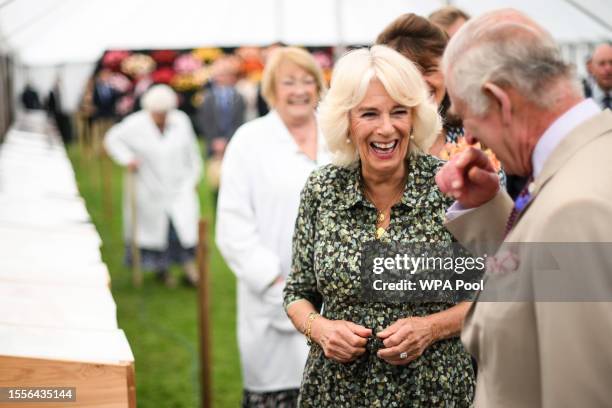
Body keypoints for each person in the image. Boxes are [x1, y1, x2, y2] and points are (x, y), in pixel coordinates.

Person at [435, 9, 612, 407]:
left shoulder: (576, 209)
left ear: (500, 100)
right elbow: (538, 274)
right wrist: (484, 207)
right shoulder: (587, 160)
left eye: (467, 116)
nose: (470, 138)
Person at [283, 45, 475, 407]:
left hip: (432, 392)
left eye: (399, 112)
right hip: (337, 393)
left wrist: (431, 329)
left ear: (416, 117)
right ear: (346, 121)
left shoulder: (451, 187)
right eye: (369, 114)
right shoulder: (322, 189)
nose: (386, 128)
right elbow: (298, 293)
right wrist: (321, 330)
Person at [216, 47, 329, 407]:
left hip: (337, 302)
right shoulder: (250, 141)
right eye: (289, 82)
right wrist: (273, 283)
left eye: (307, 80)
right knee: (281, 389)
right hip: (272, 296)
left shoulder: (337, 135)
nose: (299, 90)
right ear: (271, 90)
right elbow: (233, 224)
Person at [376, 13, 506, 187]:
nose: (420, 83)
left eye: (429, 70)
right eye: (408, 73)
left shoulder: (473, 138)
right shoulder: (378, 144)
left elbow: (501, 208)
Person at [104, 84, 202, 286]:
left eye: (165, 113)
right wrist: (127, 158)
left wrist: (194, 177)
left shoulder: (181, 121)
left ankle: (189, 269)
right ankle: (162, 270)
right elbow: (112, 139)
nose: (162, 118)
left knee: (182, 229)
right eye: (157, 114)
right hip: (149, 187)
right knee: (159, 231)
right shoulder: (135, 124)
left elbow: (192, 152)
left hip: (179, 186)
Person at [584, 43, 612, 110]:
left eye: (611, 63)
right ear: (592, 68)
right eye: (602, 64)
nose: (608, 69)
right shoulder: (582, 102)